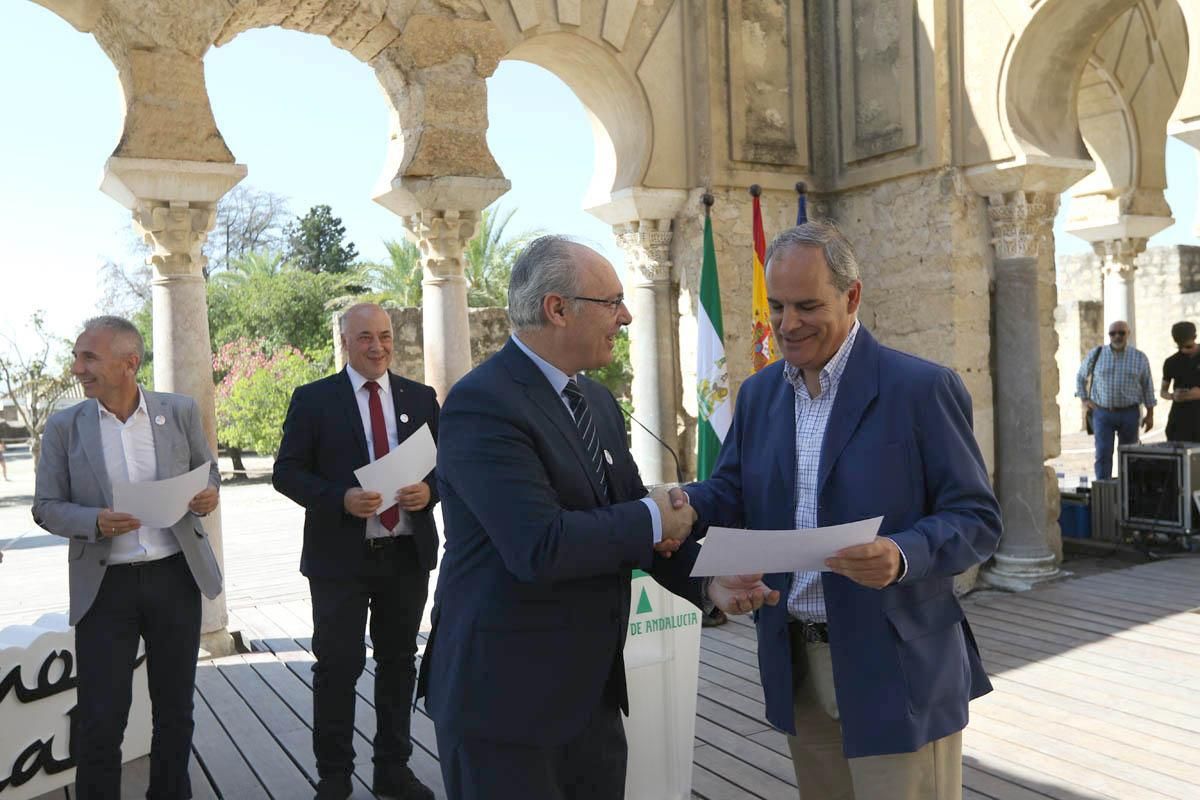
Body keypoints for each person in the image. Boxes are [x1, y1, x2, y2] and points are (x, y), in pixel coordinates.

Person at [680, 221, 1001, 800]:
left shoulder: (922, 388)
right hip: (797, 663)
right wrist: (675, 503)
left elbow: (977, 519)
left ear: (852, 297)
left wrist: (903, 555)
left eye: (807, 306)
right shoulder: (758, 395)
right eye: (777, 306)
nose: (786, 323)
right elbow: (729, 492)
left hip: (897, 667)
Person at [417, 235, 704, 800]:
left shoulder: (594, 400)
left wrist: (713, 578)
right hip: (504, 706)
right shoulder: (483, 403)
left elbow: (627, 522)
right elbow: (540, 546)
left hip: (589, 698)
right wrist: (654, 518)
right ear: (557, 308)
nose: (625, 317)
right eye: (613, 302)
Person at [32, 315, 222, 800]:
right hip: (106, 588)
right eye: (77, 356)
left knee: (176, 712)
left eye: (88, 357)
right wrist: (95, 521)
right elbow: (46, 508)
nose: (77, 368)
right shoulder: (63, 428)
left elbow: (209, 475)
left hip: (175, 578)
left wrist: (206, 495)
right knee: (100, 717)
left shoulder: (179, 411)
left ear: (129, 363)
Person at [272, 303, 439, 800]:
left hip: (406, 553)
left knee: (398, 663)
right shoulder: (314, 399)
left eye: (385, 336)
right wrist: (339, 499)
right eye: (365, 337)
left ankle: (393, 770)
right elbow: (287, 472)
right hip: (339, 558)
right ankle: (335, 779)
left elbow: (448, 465)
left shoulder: (421, 397)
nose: (378, 346)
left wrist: (430, 492)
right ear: (345, 341)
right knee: (337, 667)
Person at [1076, 320, 1156, 479]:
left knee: (1129, 455)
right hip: (1102, 413)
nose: (1117, 336)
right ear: (1109, 335)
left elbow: (1148, 385)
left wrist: (1150, 414)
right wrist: (1084, 399)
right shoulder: (1097, 354)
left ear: (1128, 334)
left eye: (1121, 333)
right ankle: (1103, 490)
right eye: (1113, 333)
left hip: (1129, 414)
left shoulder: (1139, 357)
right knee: (1103, 454)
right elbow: (1080, 376)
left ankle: (1128, 490)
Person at [1161, 321, 1200, 443]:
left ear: (1195, 337)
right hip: (1180, 419)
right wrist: (1173, 396)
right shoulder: (1171, 362)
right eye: (1181, 347)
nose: (1186, 351)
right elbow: (1163, 392)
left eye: (1189, 346)